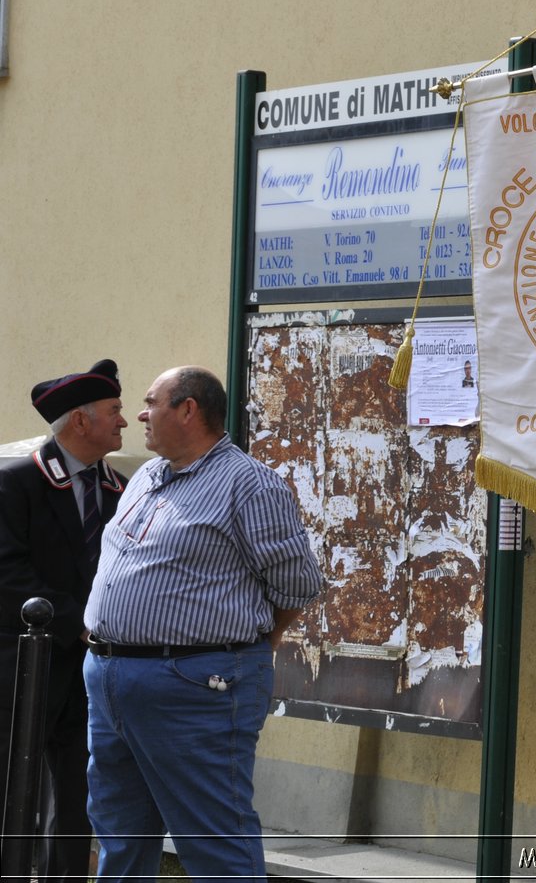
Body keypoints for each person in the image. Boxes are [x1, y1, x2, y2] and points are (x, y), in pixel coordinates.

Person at [82, 366, 325, 883]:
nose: (141, 415)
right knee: (120, 832)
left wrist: (251, 645)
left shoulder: (248, 485)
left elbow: (297, 586)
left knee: (214, 841)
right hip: (112, 681)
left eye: (152, 403)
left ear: (189, 410)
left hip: (195, 687)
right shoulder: (148, 475)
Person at [0, 359, 127, 883]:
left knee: (77, 800)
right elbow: (8, 573)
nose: (124, 421)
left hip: (89, 671)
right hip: (21, 670)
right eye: (114, 410)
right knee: (11, 796)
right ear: (80, 421)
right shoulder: (16, 481)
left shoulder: (121, 489)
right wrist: (78, 621)